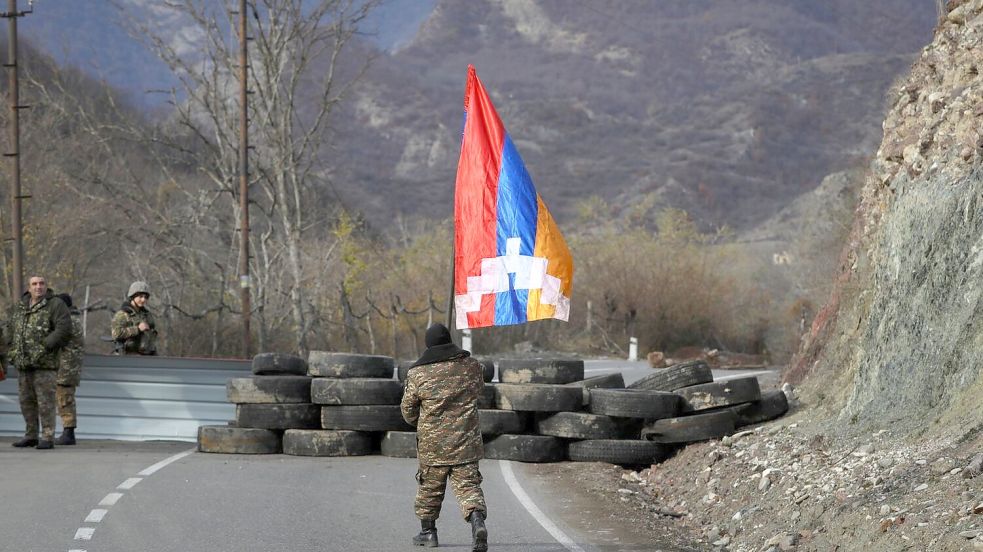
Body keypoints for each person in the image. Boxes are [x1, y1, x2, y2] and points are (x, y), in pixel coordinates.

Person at [400, 323, 488, 552]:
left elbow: (408, 411)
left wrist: (422, 422)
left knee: (429, 489)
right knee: (468, 486)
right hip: (466, 442)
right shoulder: (472, 367)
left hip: (433, 445)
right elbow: (479, 391)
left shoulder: (417, 373)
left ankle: (428, 533)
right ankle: (477, 521)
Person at [8, 275, 72, 449]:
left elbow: (64, 329)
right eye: (34, 284)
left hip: (45, 364)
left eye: (42, 283)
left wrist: (45, 346)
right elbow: (10, 328)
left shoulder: (55, 305)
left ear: (46, 286)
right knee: (26, 401)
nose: (38, 287)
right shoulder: (20, 306)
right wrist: (12, 352)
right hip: (23, 363)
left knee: (45, 402)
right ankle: (31, 435)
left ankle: (47, 436)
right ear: (29, 288)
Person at [54, 293, 84, 446]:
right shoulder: (74, 319)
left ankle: (68, 433)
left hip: (66, 367)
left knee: (64, 399)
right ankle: (67, 432)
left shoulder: (69, 321)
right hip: (69, 366)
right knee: (65, 398)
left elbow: (57, 338)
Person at [111, 281, 158, 355]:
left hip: (147, 356)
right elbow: (116, 334)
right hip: (128, 356)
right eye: (140, 296)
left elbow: (151, 337)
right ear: (133, 296)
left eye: (145, 297)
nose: (143, 300)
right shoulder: (122, 314)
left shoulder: (147, 315)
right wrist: (137, 329)